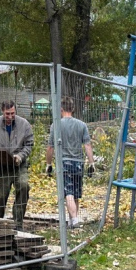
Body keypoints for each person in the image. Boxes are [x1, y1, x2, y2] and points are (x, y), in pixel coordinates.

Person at [0, 100, 34, 230]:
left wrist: (20, 156)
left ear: (15, 111)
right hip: (1, 166)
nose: (10, 117)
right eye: (7, 114)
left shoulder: (24, 124)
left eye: (12, 113)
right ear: (2, 112)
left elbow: (29, 144)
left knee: (24, 186)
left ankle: (17, 224)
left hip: (19, 165)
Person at [46, 96, 95, 229]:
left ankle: (74, 220)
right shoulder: (82, 125)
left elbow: (50, 147)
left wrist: (48, 164)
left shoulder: (55, 125)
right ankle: (72, 221)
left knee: (68, 193)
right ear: (72, 109)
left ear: (61, 109)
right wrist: (91, 163)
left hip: (64, 163)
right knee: (75, 194)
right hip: (78, 162)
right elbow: (88, 145)